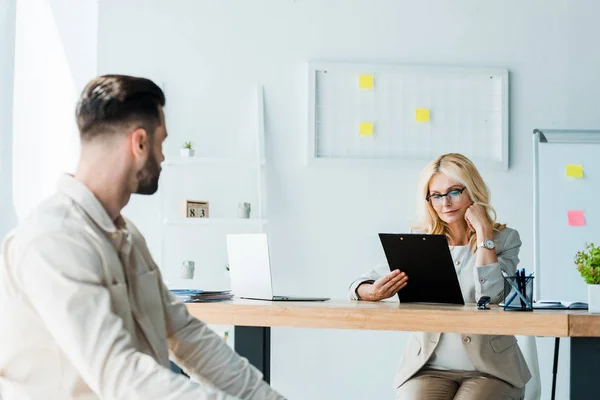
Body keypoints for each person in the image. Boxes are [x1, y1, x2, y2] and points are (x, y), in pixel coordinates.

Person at [0, 75, 286, 400]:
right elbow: (121, 375)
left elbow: (185, 334)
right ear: (139, 143)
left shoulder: (127, 236)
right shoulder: (53, 240)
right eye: (161, 142)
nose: (163, 158)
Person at [348, 153, 531, 400]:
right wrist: (372, 291)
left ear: (473, 191)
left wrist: (484, 231)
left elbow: (492, 296)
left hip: (492, 371)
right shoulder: (419, 240)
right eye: (436, 195)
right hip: (428, 368)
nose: (445, 202)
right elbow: (359, 285)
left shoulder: (504, 239)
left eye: (454, 191)